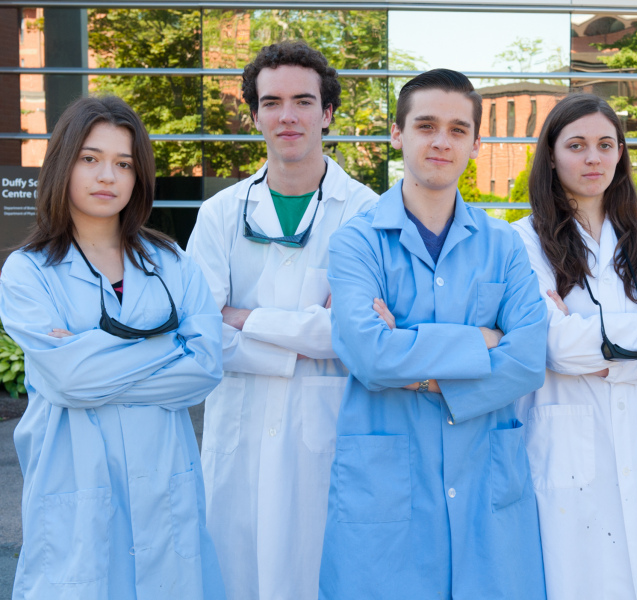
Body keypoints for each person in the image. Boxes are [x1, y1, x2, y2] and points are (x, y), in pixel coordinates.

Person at [318, 68, 548, 599]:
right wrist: (484, 342)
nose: (441, 141)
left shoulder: (504, 244)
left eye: (457, 129)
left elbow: (529, 359)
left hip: (485, 481)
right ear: (397, 135)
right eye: (425, 125)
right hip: (388, 490)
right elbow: (371, 357)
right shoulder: (357, 242)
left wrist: (415, 361)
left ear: (475, 142)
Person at [0, 96, 225, 599]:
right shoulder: (27, 271)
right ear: (63, 164)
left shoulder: (170, 262)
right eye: (90, 158)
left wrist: (87, 352)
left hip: (163, 479)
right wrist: (171, 343)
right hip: (76, 482)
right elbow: (69, 381)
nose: (108, 175)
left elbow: (208, 365)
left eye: (123, 164)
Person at [186, 40, 377, 600]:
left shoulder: (365, 212)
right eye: (271, 103)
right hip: (238, 433)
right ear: (254, 116)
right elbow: (202, 336)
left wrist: (244, 317)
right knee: (235, 575)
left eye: (302, 101)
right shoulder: (219, 213)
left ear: (328, 113)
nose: (287, 116)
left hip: (323, 435)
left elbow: (353, 335)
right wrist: (302, 337)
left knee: (317, 574)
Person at [511, 93, 637, 600]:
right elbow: (555, 348)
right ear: (550, 154)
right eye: (577, 145)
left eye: (605, 145)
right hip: (563, 463)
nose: (593, 158)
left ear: (620, 154)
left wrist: (601, 352)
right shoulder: (521, 243)